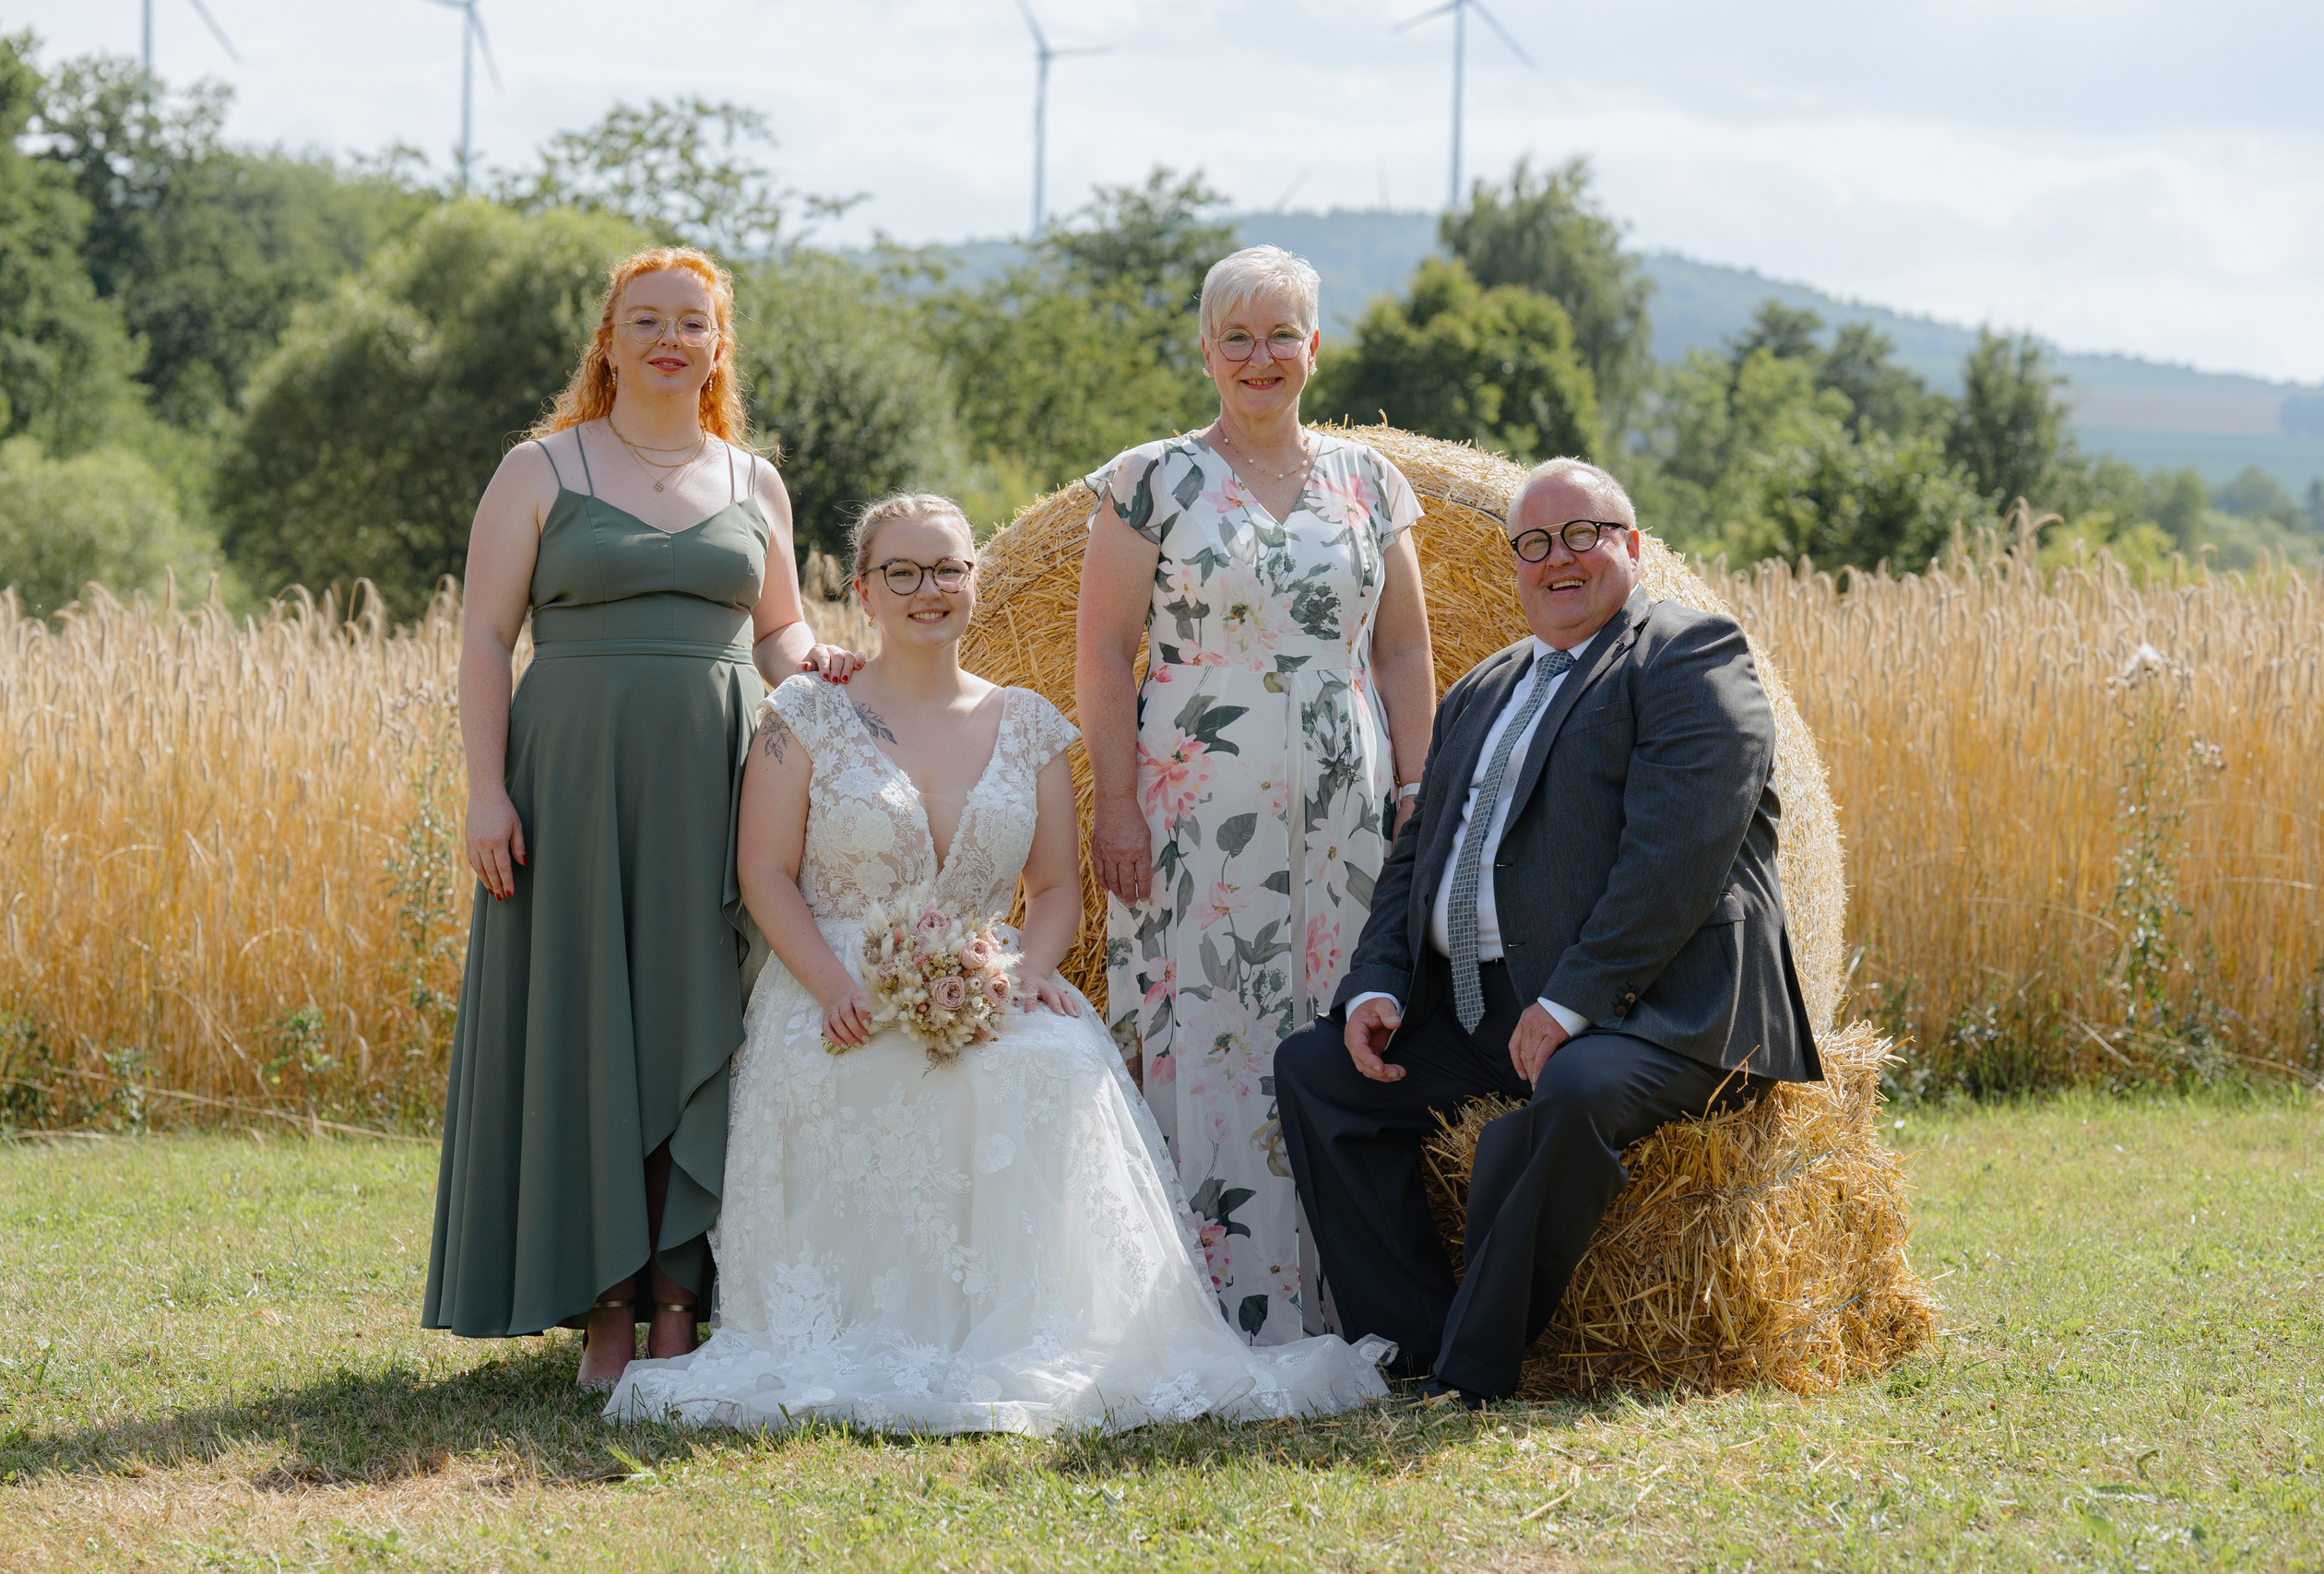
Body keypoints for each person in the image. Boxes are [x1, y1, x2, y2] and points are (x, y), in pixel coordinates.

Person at [600, 494, 1393, 1435]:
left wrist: (1020, 977)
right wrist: (831, 984)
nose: (927, 590)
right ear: (863, 589)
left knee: (1053, 1066)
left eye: (947, 569)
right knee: (878, 1068)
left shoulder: (1026, 723)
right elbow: (763, 873)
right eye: (902, 571)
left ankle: (1041, 1334)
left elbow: (1056, 889)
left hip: (987, 973)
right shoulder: (805, 712)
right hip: (834, 981)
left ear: (975, 581)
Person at [1273, 457, 1822, 1408]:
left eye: (1584, 535)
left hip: (1662, 1010)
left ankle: (1472, 1372)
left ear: (1633, 547)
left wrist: (1571, 1002)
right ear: (1515, 562)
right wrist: (1379, 983)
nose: (1557, 559)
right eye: (1534, 542)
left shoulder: (1687, 655)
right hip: (1491, 1007)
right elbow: (1419, 853)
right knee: (1317, 1071)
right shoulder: (1483, 688)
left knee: (1568, 1092)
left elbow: (1677, 855)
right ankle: (1414, 1341)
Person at [424, 246, 862, 1388]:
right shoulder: (539, 467)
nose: (671, 339)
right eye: (646, 320)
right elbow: (483, 638)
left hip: (719, 782)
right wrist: (486, 789)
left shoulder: (751, 481)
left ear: (718, 348)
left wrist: (821, 662)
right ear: (608, 342)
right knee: (586, 1024)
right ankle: (606, 1307)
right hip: (570, 783)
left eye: (693, 323)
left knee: (699, 1018)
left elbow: (776, 634)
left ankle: (681, 1302)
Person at [1073, 244, 1436, 1345]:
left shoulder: (1371, 483)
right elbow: (1101, 652)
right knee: (1211, 1030)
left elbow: (1406, 655)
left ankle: (1353, 1302)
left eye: (1282, 334)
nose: (1260, 356)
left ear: (1315, 349)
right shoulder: (1148, 480)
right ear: (1205, 352)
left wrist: (1417, 792)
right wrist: (1117, 805)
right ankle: (1208, 1308)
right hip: (1197, 804)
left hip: (1345, 805)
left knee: (1338, 1022)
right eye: (1237, 336)